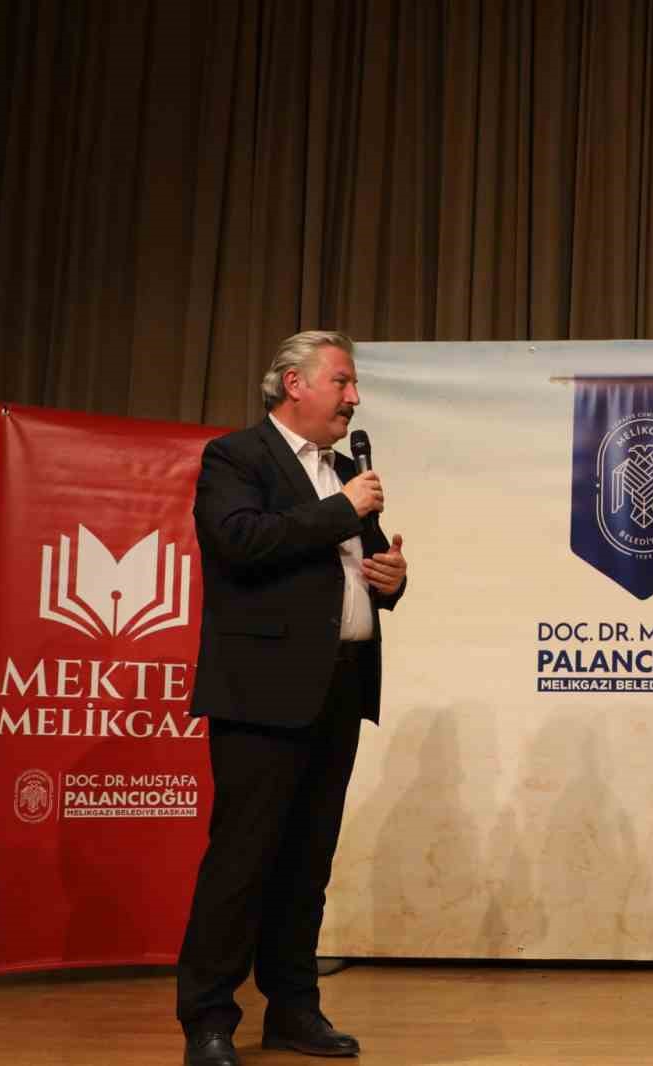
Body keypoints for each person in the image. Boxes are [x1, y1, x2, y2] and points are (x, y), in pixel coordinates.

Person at [176, 330, 408, 1066]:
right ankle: (209, 1018)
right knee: (242, 861)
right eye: (342, 381)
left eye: (354, 384)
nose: (354, 397)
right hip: (262, 692)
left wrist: (391, 581)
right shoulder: (236, 457)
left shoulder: (345, 471)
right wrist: (343, 509)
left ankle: (294, 1009)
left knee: (308, 863)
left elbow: (353, 569)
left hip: (339, 685)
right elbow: (240, 541)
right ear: (293, 384)